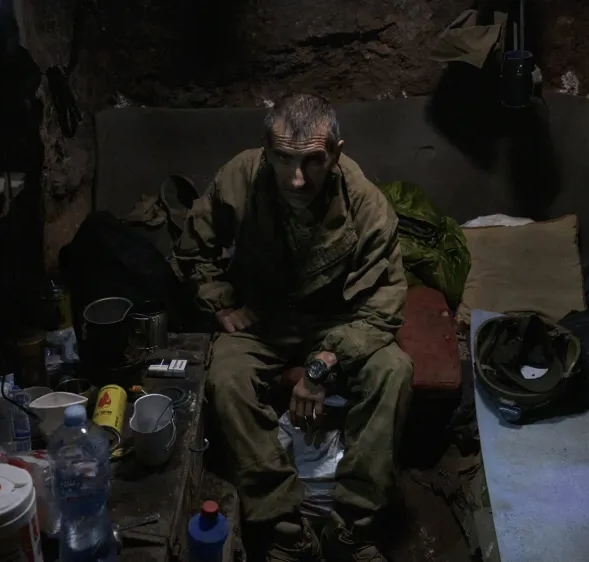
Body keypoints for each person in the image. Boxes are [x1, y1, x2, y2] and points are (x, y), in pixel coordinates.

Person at [175, 93, 413, 562]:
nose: (297, 178)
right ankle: (284, 527)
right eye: (283, 159)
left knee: (394, 371)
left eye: (313, 161)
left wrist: (324, 364)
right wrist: (222, 302)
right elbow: (193, 247)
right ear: (266, 149)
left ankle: (352, 528)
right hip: (264, 318)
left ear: (336, 153)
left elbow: (384, 305)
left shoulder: (365, 203)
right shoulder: (239, 178)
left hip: (339, 320)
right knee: (225, 377)